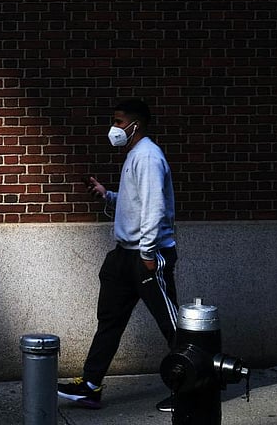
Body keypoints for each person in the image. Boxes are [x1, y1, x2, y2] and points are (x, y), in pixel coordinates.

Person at [58, 99, 178, 411]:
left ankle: (194, 388)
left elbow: (155, 209)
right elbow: (135, 203)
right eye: (114, 121)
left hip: (146, 255)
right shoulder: (134, 156)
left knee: (172, 326)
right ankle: (90, 386)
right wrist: (107, 194)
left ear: (136, 125)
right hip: (124, 256)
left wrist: (149, 255)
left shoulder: (149, 156)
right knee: (109, 321)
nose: (114, 128)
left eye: (119, 122)